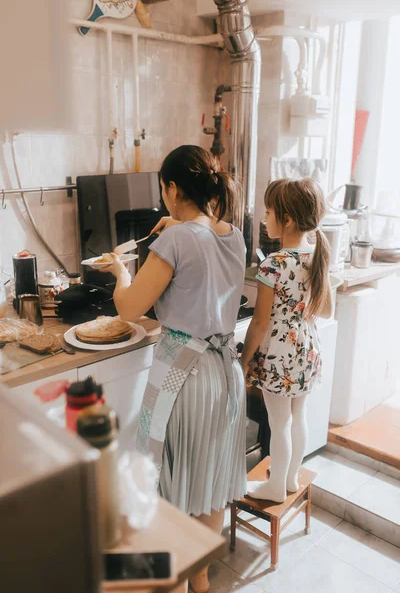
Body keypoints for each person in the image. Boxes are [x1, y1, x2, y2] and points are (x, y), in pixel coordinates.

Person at [102, 145, 247, 593]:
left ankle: (172, 581)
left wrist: (120, 271)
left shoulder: (177, 239)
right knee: (209, 479)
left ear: (170, 188)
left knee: (169, 486)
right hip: (225, 375)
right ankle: (200, 581)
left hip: (183, 376)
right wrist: (177, 230)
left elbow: (130, 307)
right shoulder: (233, 235)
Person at [240, 177, 332, 503]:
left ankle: (275, 487)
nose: (265, 219)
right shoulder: (317, 254)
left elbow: (260, 323)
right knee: (299, 417)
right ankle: (290, 478)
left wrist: (244, 359)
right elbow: (326, 309)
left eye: (268, 212)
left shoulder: (273, 265)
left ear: (287, 219)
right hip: (308, 348)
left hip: (280, 354)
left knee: (278, 423)